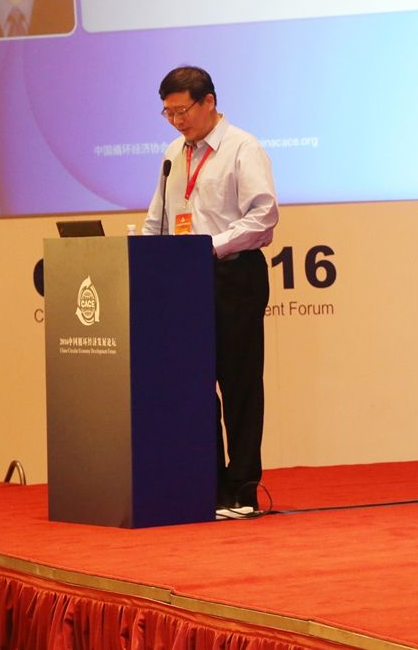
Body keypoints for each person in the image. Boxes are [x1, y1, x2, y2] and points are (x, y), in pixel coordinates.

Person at [142, 66, 278, 516]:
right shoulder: (172, 154)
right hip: (185, 282)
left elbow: (263, 217)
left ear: (209, 102)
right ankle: (209, 484)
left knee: (239, 385)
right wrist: (146, 259)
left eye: (182, 111)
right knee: (195, 387)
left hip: (233, 276)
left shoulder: (242, 148)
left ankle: (243, 488)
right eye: (168, 113)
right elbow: (158, 219)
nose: (177, 121)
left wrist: (209, 248)